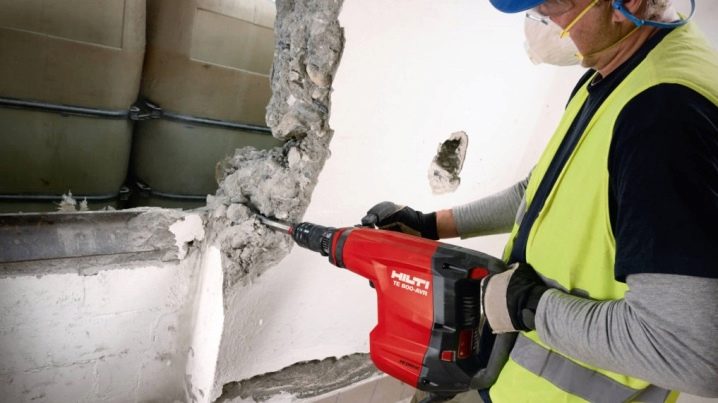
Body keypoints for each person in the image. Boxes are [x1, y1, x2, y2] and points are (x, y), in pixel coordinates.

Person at [362, 0, 718, 401]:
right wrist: (432, 224)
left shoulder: (664, 121)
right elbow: (540, 189)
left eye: (552, 5)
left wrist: (529, 307)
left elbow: (690, 353)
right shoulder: (617, 69)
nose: (541, 21)